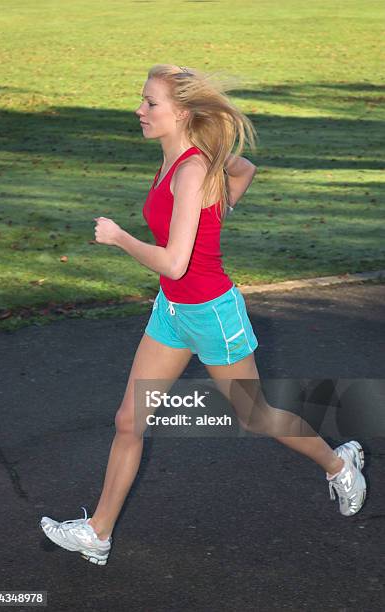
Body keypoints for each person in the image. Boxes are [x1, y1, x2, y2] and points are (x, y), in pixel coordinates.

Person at [40, 64, 367, 565]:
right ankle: (98, 532)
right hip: (172, 312)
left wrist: (121, 238)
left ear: (183, 113)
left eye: (150, 103)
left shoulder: (192, 169)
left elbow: (174, 260)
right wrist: (219, 210)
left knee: (256, 416)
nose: (140, 110)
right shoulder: (179, 161)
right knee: (129, 421)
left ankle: (338, 463)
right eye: (143, 100)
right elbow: (242, 170)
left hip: (213, 315)